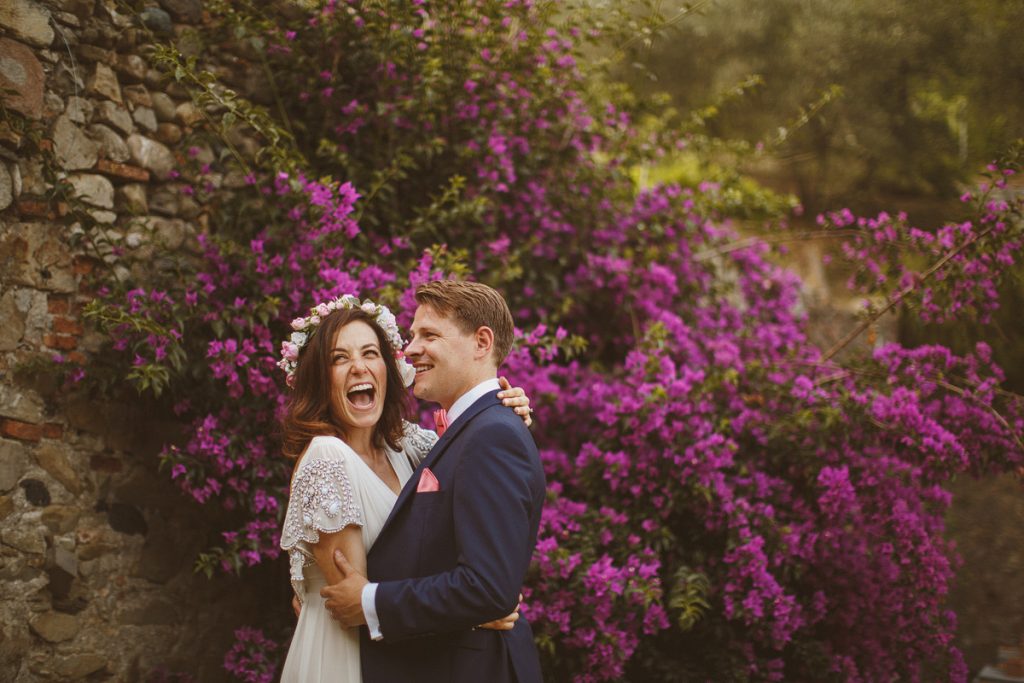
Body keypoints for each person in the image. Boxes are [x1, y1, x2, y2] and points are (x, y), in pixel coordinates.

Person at [276, 294, 533, 682]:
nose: (359, 367)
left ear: (388, 366)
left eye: (370, 353)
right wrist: (475, 609)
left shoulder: (409, 446)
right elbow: (353, 606)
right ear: (318, 377)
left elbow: (477, 454)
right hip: (350, 659)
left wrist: (505, 407)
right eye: (339, 358)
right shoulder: (327, 458)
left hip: (407, 656)